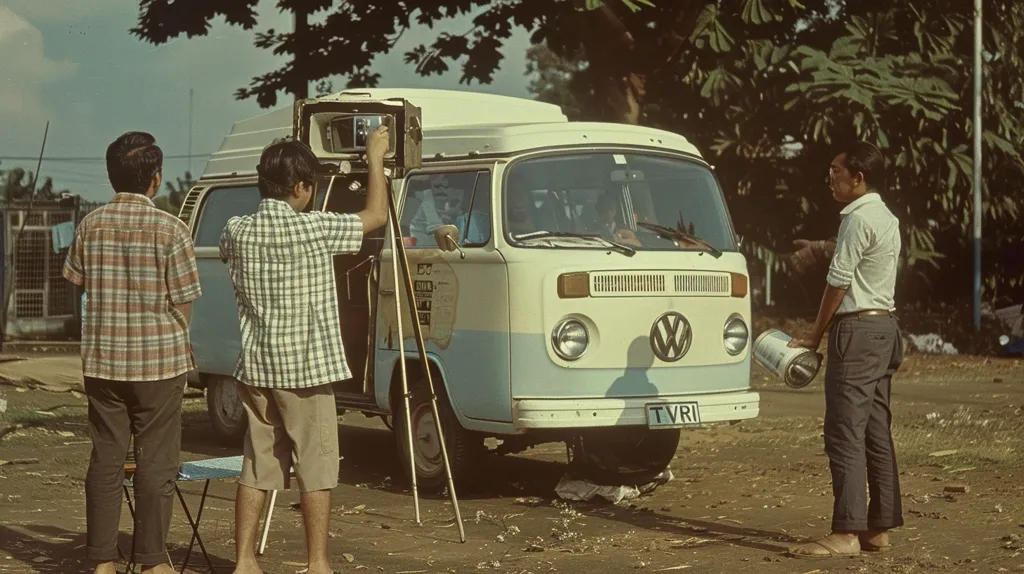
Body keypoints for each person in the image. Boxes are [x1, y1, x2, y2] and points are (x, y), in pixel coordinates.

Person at [219, 126, 390, 574]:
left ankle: (243, 562)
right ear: (300, 187)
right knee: (316, 468)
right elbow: (375, 215)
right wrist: (374, 159)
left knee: (257, 466)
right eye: (311, 186)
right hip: (306, 372)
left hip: (256, 370)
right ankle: (317, 563)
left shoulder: (235, 230)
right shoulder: (313, 229)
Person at [63, 132, 202, 574]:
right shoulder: (172, 230)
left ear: (111, 177)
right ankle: (151, 560)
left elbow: (76, 285)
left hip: (104, 361)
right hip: (159, 363)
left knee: (105, 459)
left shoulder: (90, 224)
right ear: (156, 180)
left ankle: (102, 559)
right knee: (156, 464)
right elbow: (184, 300)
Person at [786, 142, 904, 559]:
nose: (830, 179)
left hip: (856, 330)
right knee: (875, 430)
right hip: (884, 328)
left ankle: (847, 532)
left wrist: (814, 335)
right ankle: (879, 528)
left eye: (836, 171)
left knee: (843, 432)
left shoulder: (856, 219)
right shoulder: (885, 217)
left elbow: (838, 280)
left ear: (859, 178)